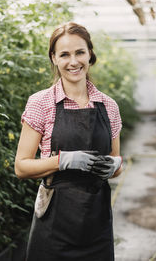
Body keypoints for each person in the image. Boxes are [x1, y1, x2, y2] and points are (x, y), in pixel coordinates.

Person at [14, 22, 123, 261]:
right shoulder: (41, 103)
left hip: (97, 223)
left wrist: (114, 165)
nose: (73, 62)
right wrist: (63, 160)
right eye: (64, 54)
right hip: (55, 226)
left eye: (79, 52)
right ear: (54, 58)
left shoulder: (109, 106)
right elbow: (21, 167)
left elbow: (116, 163)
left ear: (90, 54)